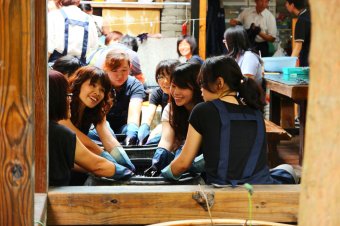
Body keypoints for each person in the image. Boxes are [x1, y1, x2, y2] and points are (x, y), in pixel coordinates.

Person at [161, 56, 297, 185]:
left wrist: (164, 174)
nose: (201, 90)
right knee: (287, 168)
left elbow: (183, 163)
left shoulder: (202, 110)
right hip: (259, 187)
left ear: (219, 83)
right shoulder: (255, 112)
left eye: (202, 83)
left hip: (222, 190)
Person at [48, 70, 133, 186]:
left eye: (102, 90)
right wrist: (108, 163)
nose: (97, 92)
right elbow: (85, 147)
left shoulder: (96, 110)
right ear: (78, 83)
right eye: (92, 85)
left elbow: (108, 138)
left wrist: (123, 159)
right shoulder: (63, 109)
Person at [145, 62, 203, 176]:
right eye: (174, 86)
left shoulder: (205, 109)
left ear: (195, 87)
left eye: (182, 87)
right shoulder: (170, 109)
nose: (176, 92)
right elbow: (167, 140)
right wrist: (157, 162)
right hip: (180, 157)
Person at [88, 49, 145, 146]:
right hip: (100, 128)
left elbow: (134, 115)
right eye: (114, 70)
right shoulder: (99, 84)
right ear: (105, 68)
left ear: (130, 67)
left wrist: (131, 133)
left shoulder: (135, 85)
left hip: (124, 128)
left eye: (124, 70)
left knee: (136, 133)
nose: (120, 75)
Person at [137, 59, 180, 145]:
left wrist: (160, 128)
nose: (165, 81)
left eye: (169, 76)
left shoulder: (181, 94)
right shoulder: (157, 92)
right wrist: (143, 130)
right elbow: (148, 117)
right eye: (161, 77)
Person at [48, 0, 98, 64]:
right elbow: (94, 46)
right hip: (80, 65)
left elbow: (49, 47)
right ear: (78, 2)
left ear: (59, 1)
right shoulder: (89, 19)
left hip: (57, 64)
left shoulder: (53, 16)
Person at [285, 0, 311, 66]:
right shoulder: (310, 15)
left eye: (287, 3)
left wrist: (290, 66)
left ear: (292, 5)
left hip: (307, 61)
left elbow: (298, 47)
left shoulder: (301, 21)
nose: (286, 5)